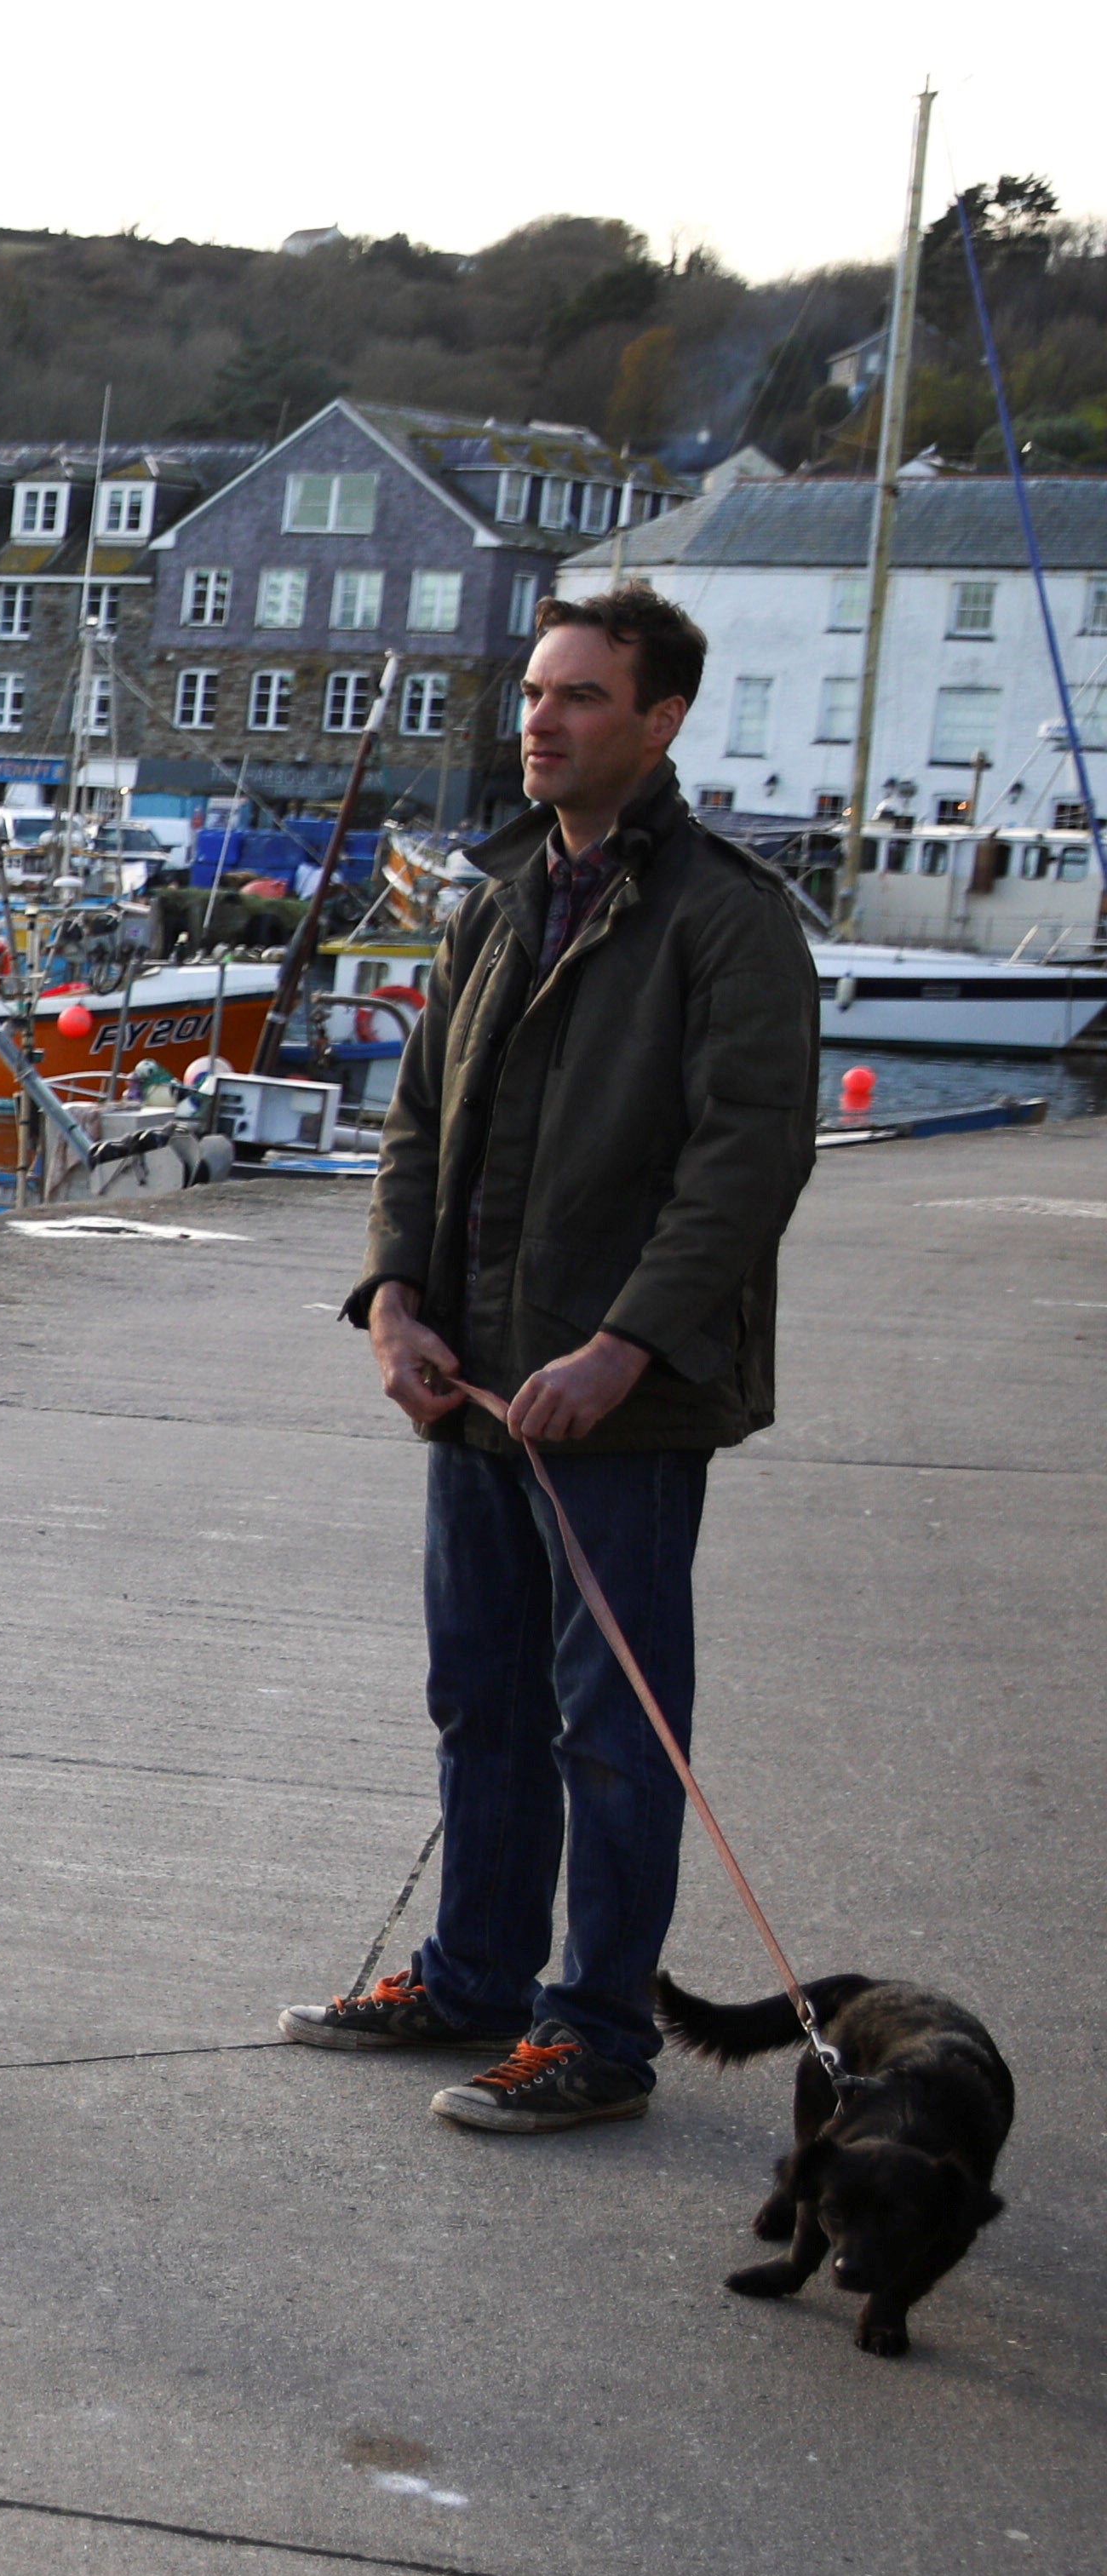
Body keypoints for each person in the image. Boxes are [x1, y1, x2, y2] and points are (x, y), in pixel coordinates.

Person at [287, 582, 814, 2129]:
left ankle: (595, 2036)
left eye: (581, 696)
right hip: (475, 1389)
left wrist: (626, 1347)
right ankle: (473, 1978)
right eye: (533, 692)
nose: (541, 719)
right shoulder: (496, 895)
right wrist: (392, 1296)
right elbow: (416, 1122)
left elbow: (747, 1165)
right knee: (482, 1699)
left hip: (620, 1412)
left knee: (615, 1726)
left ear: (659, 720)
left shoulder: (728, 918)